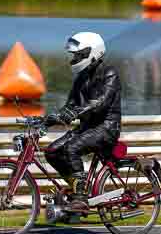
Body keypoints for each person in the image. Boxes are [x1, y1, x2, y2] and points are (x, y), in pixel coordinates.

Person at [44, 32, 122, 213]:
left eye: (79, 55)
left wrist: (76, 112)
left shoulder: (110, 73)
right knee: (52, 151)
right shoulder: (81, 77)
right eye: (75, 55)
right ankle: (76, 187)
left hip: (106, 128)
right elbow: (70, 105)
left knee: (71, 148)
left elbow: (101, 102)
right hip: (88, 128)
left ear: (93, 52)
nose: (75, 58)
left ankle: (80, 198)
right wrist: (47, 120)